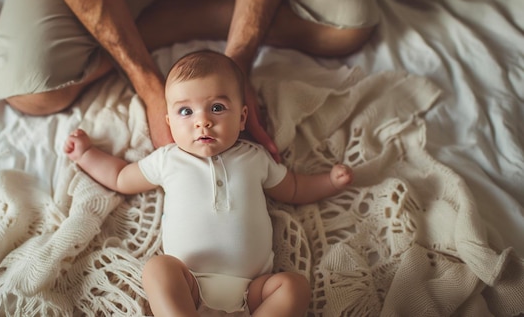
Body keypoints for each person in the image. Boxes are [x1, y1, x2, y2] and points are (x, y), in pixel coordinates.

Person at [0, 0, 380, 161]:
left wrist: (238, 62)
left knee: (347, 29)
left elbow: (288, 185)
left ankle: (182, 15)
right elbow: (128, 178)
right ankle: (200, 12)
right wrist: (145, 83)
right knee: (35, 92)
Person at [63, 50, 354, 316]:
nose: (202, 122)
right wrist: (87, 155)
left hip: (252, 290)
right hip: (189, 286)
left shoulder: (255, 157)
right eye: (186, 112)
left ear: (242, 118)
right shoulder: (168, 159)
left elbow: (292, 187)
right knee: (157, 269)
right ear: (169, 122)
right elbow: (120, 177)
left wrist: (329, 182)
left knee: (295, 287)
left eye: (216, 108)